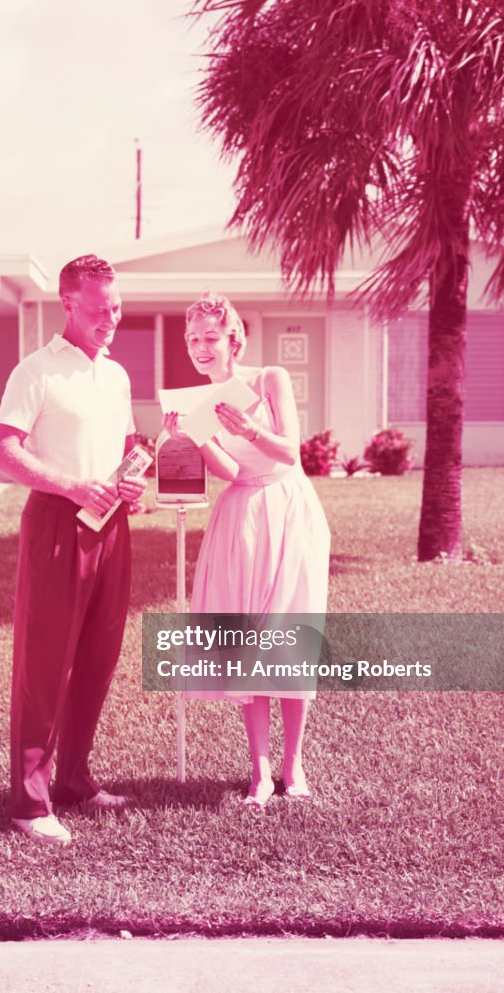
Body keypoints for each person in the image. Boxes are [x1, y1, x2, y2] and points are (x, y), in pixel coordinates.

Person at [0, 254, 147, 846]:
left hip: (112, 526)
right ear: (69, 304)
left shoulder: (117, 375)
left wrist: (131, 482)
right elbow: (4, 451)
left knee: (99, 656)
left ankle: (76, 780)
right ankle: (30, 804)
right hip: (57, 524)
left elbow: (129, 445)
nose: (112, 318)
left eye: (117, 307)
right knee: (45, 664)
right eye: (100, 308)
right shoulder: (36, 372)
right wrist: (71, 484)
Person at [163, 292, 330, 808]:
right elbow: (232, 471)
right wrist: (192, 437)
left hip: (287, 506)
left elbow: (290, 451)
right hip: (240, 514)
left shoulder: (269, 379)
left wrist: (250, 427)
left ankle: (293, 766)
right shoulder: (196, 400)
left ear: (233, 338)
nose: (201, 348)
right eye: (192, 339)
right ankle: (259, 773)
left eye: (210, 337)